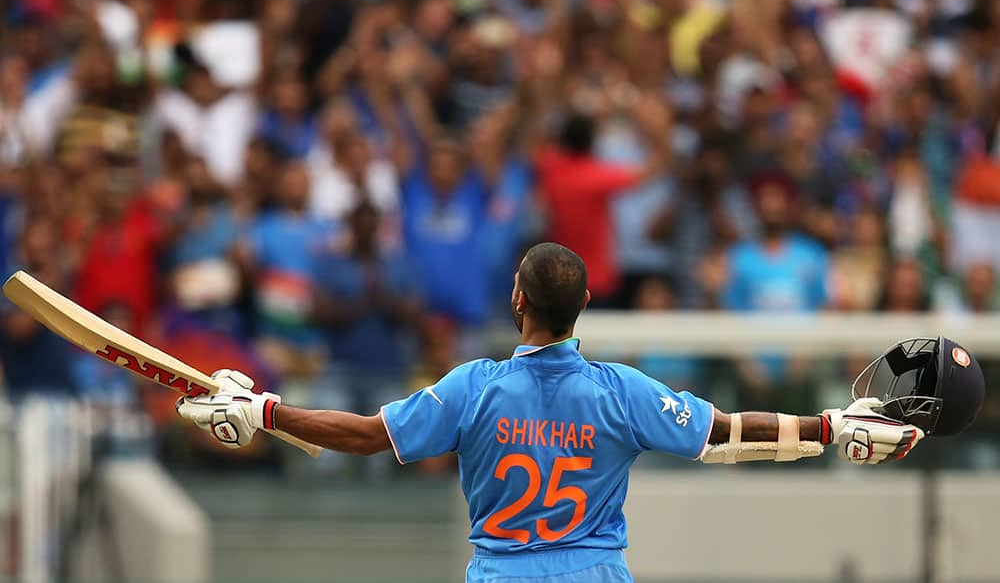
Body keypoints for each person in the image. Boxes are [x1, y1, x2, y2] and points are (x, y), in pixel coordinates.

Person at [177, 243, 932, 583]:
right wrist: (833, 429)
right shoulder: (620, 392)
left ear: (517, 301)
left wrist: (267, 412)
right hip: (597, 573)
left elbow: (369, 436)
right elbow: (730, 437)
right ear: (584, 308)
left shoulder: (474, 387)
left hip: (502, 575)